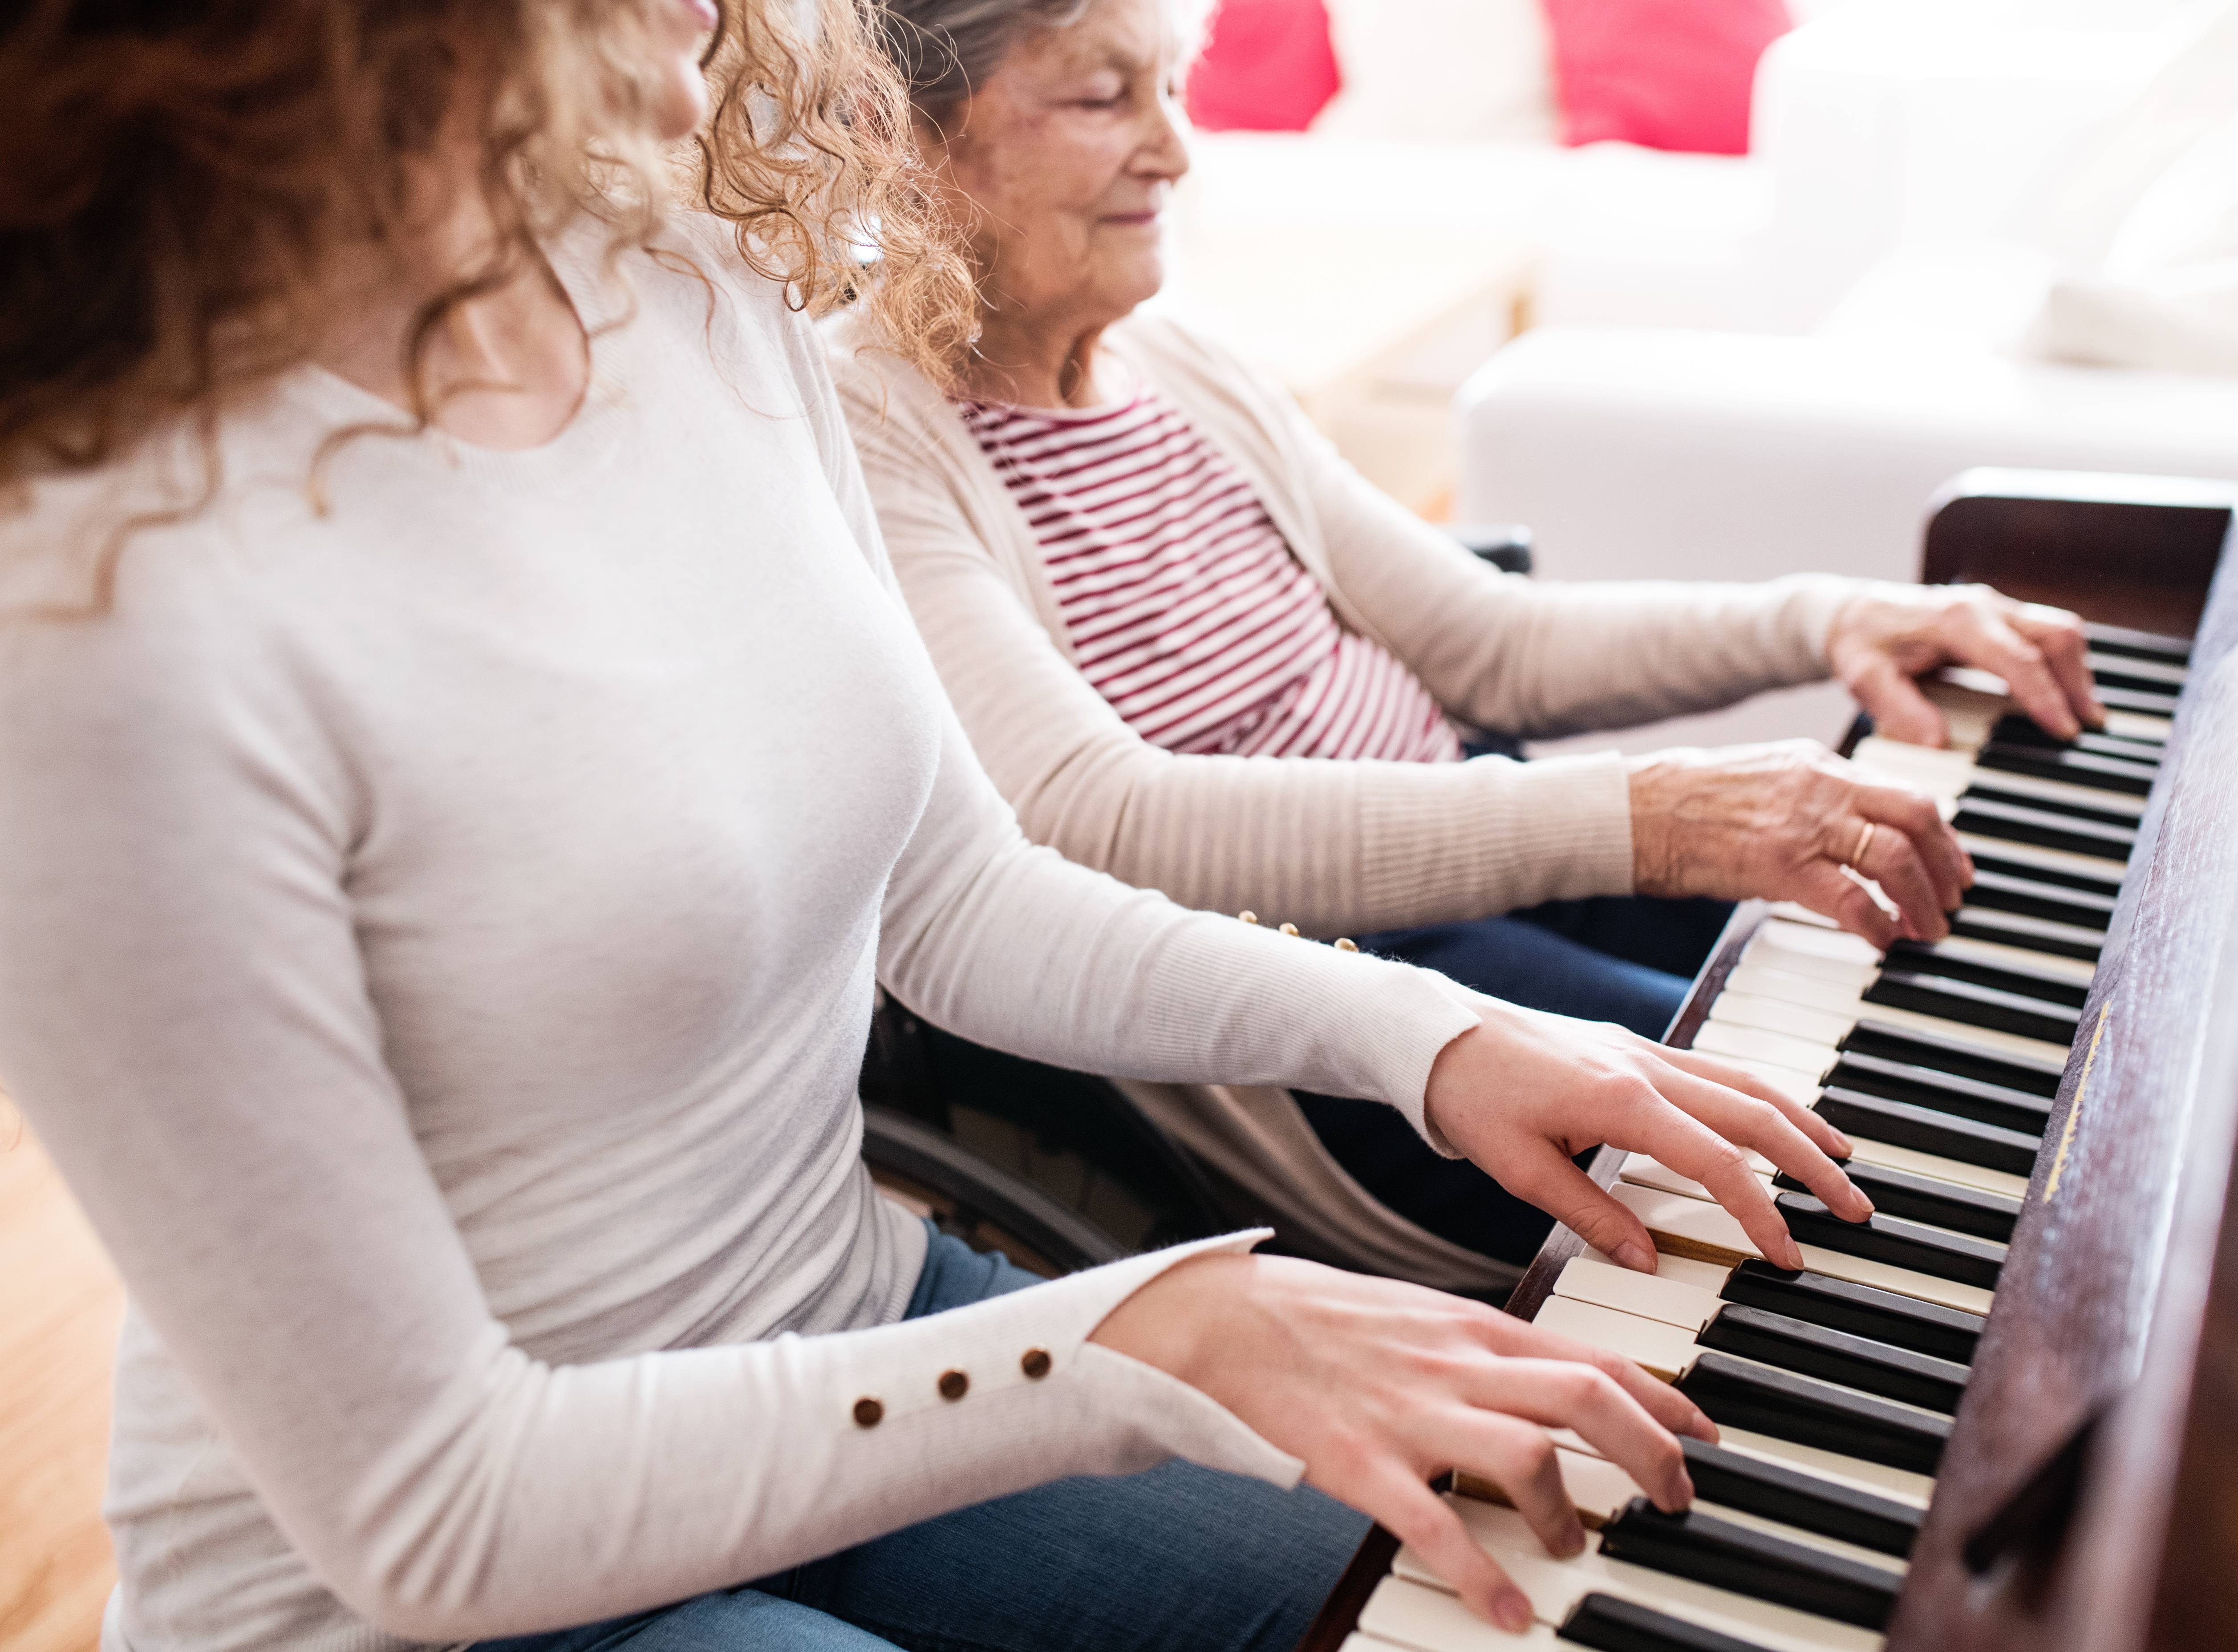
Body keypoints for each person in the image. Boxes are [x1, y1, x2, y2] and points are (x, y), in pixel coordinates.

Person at [0, 3, 1881, 1651]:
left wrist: (1440, 1038)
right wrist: (1144, 1343)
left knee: (1560, 1571)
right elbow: (438, 1509)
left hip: (854, 1329)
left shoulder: (693, 286)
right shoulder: (105, 603)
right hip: (461, 1601)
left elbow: (964, 897)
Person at [829, 0, 2104, 1272]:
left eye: (1171, 92)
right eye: (1104, 99)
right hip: (1317, 996)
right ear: (903, 135)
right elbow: (1105, 821)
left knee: (1953, 1003)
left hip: (1470, 843)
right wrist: (1655, 819)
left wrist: (1826, 618)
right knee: (1868, 1146)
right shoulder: (867, 436)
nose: (1173, 151)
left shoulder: (1178, 362)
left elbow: (1484, 641)